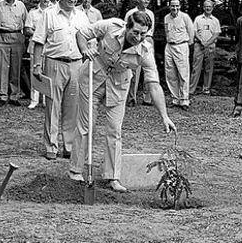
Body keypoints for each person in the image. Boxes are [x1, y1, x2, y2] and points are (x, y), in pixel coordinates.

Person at [68, 12, 177, 192]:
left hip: (118, 86)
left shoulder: (144, 52)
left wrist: (164, 116)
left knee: (115, 130)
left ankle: (112, 176)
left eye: (143, 34)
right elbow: (82, 34)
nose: (138, 37)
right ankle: (76, 171)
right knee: (86, 126)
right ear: (127, 27)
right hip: (92, 78)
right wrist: (84, 49)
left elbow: (154, 85)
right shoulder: (110, 26)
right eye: (135, 32)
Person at [32, 0, 90, 160]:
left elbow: (90, 40)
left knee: (72, 107)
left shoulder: (81, 16)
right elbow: (39, 41)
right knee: (52, 106)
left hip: (76, 64)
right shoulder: (49, 14)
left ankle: (69, 145)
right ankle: (51, 146)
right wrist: (37, 65)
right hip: (54, 64)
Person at [0, 0, 28, 106]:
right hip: (2, 36)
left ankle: (14, 95)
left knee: (16, 67)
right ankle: (3, 96)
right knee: (3, 67)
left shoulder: (20, 5)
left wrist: (23, 39)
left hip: (17, 37)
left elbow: (26, 22)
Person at [163, 0, 194, 110]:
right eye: (172, 6)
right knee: (170, 73)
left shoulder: (185, 17)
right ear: (169, 6)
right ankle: (175, 98)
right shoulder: (166, 18)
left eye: (177, 6)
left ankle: (184, 99)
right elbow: (166, 31)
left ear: (180, 6)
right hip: (169, 46)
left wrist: (187, 45)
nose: (174, 8)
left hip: (181, 46)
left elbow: (191, 32)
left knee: (183, 73)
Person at [125, 0, 155, 106]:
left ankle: (147, 98)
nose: (146, 1)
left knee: (148, 69)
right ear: (139, 0)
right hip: (134, 42)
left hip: (147, 40)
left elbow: (151, 29)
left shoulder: (150, 13)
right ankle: (131, 98)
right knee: (133, 70)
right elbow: (126, 28)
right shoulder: (131, 13)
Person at [24, 0, 50, 109]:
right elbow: (27, 29)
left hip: (48, 48)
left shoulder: (52, 12)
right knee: (34, 72)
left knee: (46, 73)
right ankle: (34, 100)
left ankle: (45, 100)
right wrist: (39, 34)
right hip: (35, 46)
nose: (45, 0)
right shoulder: (33, 12)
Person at [189, 0, 221, 96]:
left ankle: (206, 89)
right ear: (203, 7)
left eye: (209, 6)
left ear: (212, 8)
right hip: (199, 45)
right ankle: (191, 90)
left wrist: (208, 43)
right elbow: (194, 32)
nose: (208, 8)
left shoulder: (215, 20)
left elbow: (216, 34)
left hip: (210, 46)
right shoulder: (198, 19)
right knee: (196, 67)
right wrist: (202, 41)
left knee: (208, 68)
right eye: (206, 6)